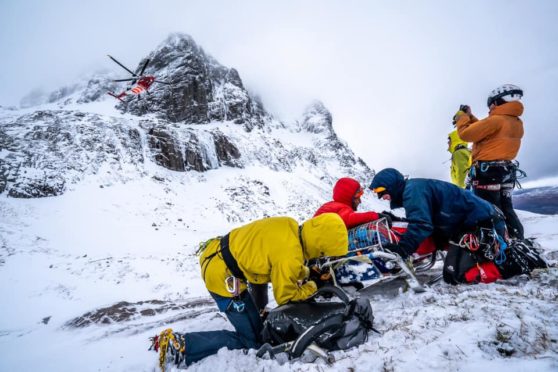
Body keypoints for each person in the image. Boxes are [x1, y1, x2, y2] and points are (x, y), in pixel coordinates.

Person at [150, 213, 348, 369]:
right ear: (320, 246)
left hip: (216, 252)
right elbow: (286, 296)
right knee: (252, 340)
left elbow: (282, 261)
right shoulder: (290, 255)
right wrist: (313, 285)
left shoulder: (290, 226)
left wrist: (305, 271)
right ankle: (181, 344)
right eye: (324, 253)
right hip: (223, 277)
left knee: (257, 325)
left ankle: (254, 316)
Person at [369, 168, 508, 285]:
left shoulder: (413, 191)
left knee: (455, 275)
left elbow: (422, 224)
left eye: (381, 190)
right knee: (437, 247)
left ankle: (503, 267)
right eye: (377, 193)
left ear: (392, 185)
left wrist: (402, 249)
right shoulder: (413, 188)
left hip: (484, 223)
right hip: (468, 224)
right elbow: (425, 218)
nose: (381, 196)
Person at [454, 84, 525, 239]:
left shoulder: (496, 120)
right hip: (506, 171)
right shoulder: (515, 122)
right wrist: (471, 117)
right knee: (507, 209)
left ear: (498, 101)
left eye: (491, 103)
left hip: (488, 172)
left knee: (488, 211)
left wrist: (462, 118)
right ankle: (518, 243)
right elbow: (484, 131)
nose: (490, 107)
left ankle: (497, 249)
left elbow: (466, 134)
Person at [314, 177, 394, 228]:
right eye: (358, 197)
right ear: (349, 196)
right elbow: (347, 220)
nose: (360, 201)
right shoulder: (343, 207)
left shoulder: (330, 205)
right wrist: (376, 216)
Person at [448, 113, 471, 188]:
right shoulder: (464, 151)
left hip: (463, 191)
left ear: (454, 140)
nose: (448, 143)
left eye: (449, 140)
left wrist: (460, 191)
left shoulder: (458, 153)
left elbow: (461, 175)